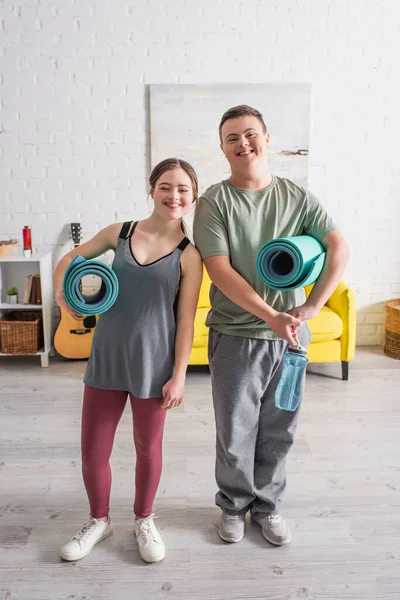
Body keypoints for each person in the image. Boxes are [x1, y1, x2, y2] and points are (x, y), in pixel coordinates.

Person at [193, 105, 349, 546]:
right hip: (237, 335)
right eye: (231, 138)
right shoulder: (214, 202)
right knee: (235, 429)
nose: (243, 144)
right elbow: (220, 270)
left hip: (292, 339)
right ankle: (233, 505)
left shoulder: (297, 197)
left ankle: (267, 506)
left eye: (249, 134)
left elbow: (338, 247)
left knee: (281, 426)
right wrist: (272, 316)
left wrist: (314, 305)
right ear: (222, 148)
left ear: (266, 137)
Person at [54, 158, 203, 563]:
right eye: (166, 187)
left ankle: (144, 519)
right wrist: (62, 296)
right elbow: (70, 260)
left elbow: (186, 321)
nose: (175, 196)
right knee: (92, 450)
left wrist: (179, 376)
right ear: (152, 190)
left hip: (153, 364)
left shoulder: (190, 255)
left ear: (193, 197)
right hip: (107, 357)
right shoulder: (119, 234)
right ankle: (98, 521)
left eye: (184, 189)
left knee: (148, 449)